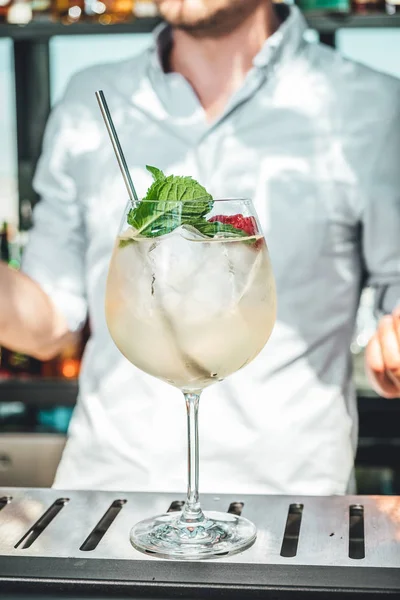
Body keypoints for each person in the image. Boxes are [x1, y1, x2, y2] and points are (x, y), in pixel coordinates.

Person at [0, 0, 399, 495]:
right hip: (104, 497)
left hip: (287, 511)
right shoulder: (89, 99)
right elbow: (47, 326)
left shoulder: (373, 106)